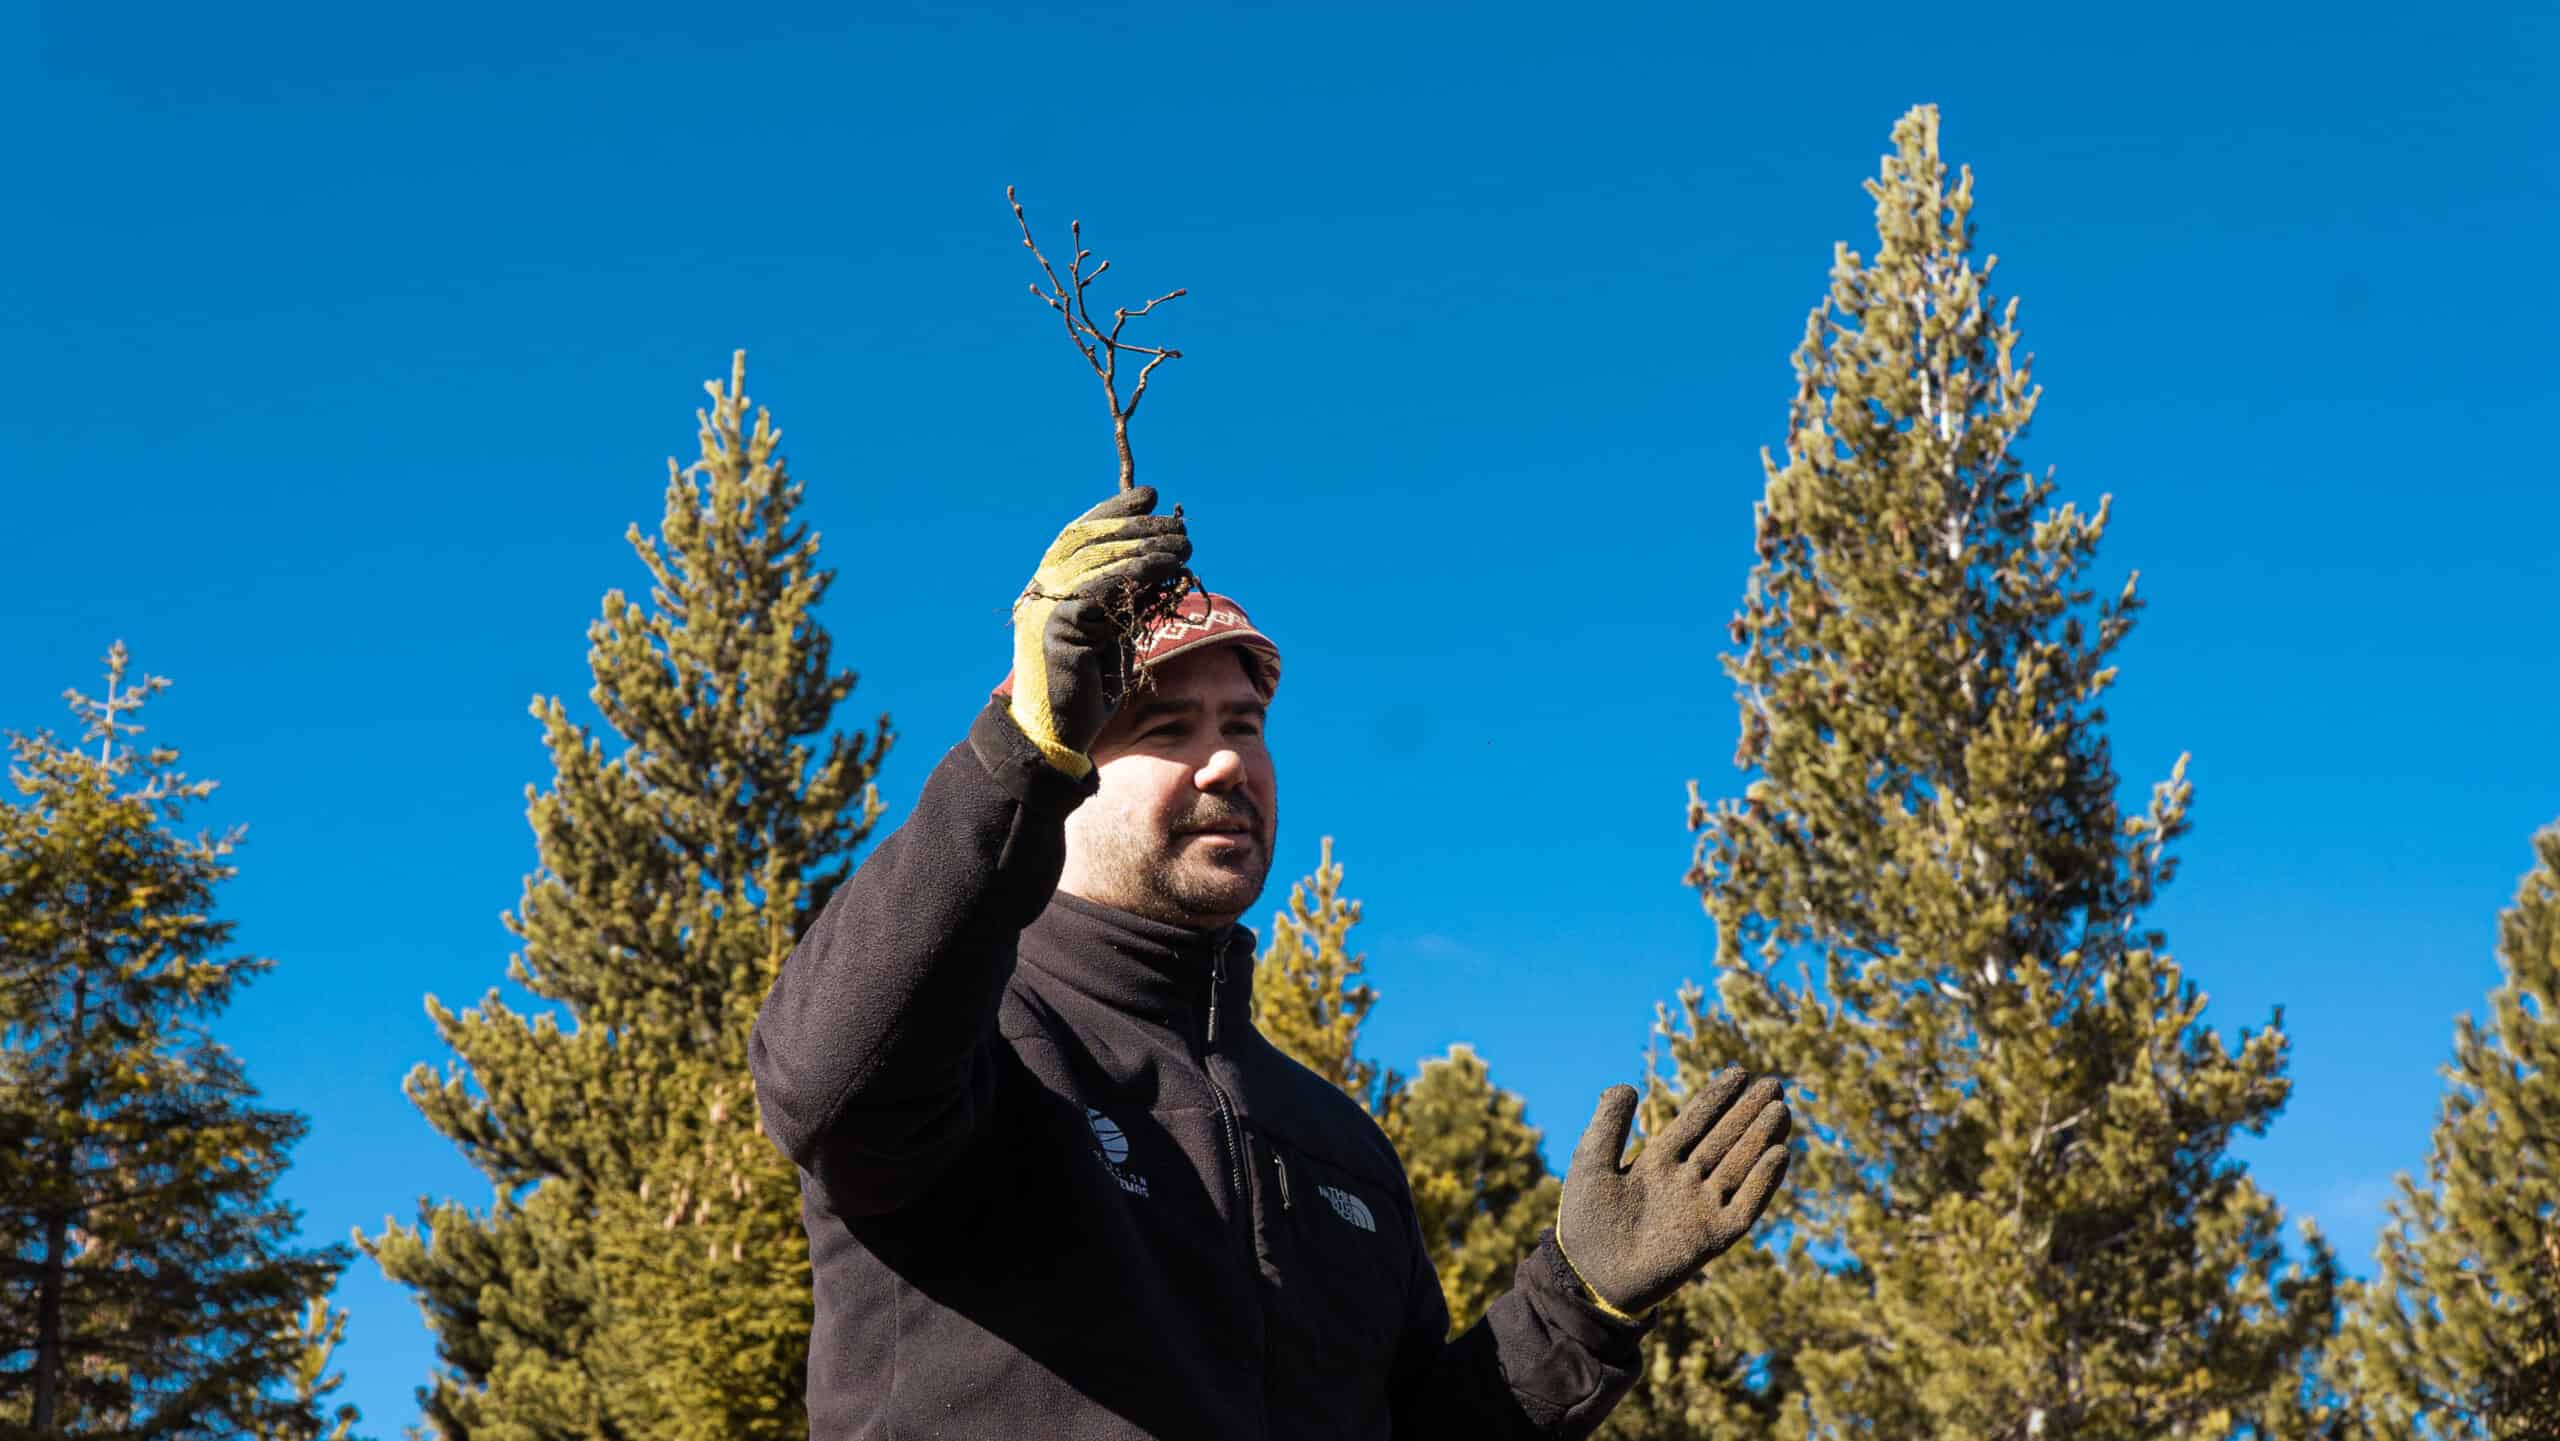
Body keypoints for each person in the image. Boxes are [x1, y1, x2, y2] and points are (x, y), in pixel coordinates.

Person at [750, 488, 1794, 1439]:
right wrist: (1015, 756)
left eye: (1244, 725)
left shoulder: (1335, 1143)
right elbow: (829, 1081)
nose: (1224, 761)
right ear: (1069, 764)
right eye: (1167, 727)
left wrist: (1574, 1307)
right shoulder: (970, 1039)